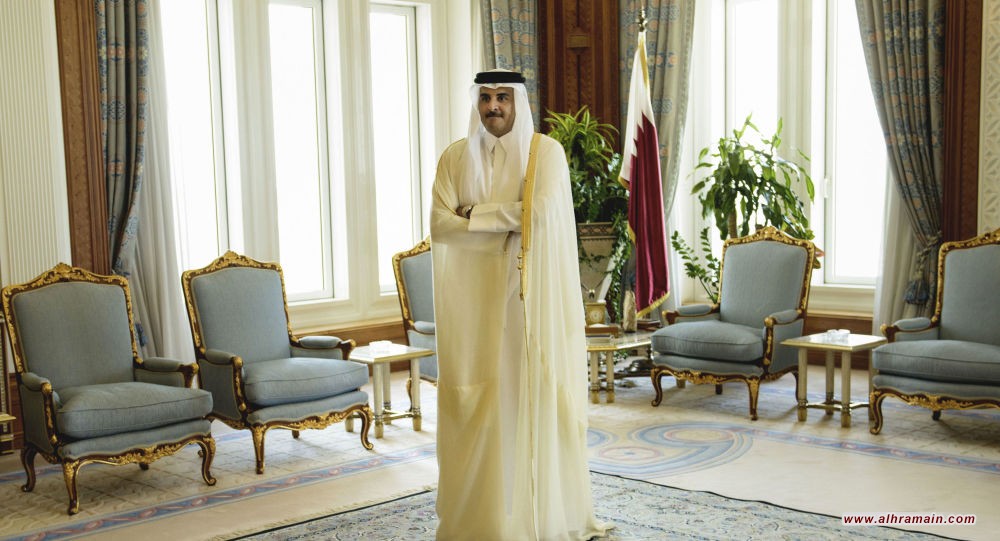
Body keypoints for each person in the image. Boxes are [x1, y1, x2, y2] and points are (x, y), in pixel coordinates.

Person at [430, 69, 610, 540]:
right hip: (470, 304)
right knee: (475, 402)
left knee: (523, 400)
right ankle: (482, 520)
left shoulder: (543, 153)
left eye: (502, 98)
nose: (493, 106)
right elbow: (440, 226)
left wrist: (476, 215)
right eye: (486, 97)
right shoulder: (454, 157)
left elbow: (542, 213)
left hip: (526, 302)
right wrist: (508, 222)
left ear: (518, 103)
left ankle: (530, 518)